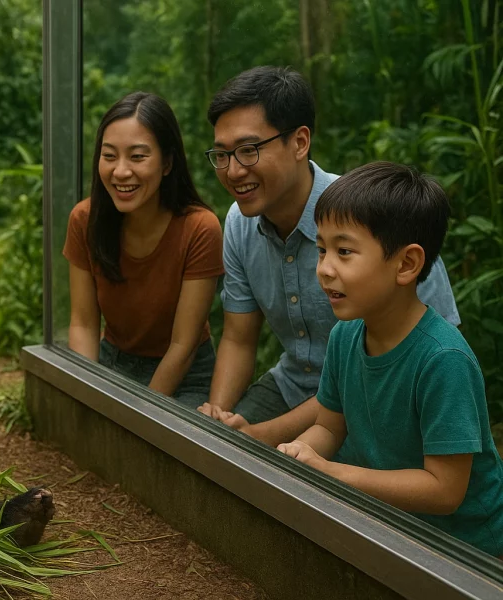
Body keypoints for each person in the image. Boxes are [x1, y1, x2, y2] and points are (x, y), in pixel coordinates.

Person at [196, 66, 460, 447]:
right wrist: (217, 416)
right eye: (221, 154)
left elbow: (437, 352)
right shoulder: (239, 223)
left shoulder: (373, 216)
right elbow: (238, 339)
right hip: (291, 385)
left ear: (300, 142)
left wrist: (257, 436)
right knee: (215, 450)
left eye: (249, 150)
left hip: (379, 392)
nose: (234, 170)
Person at [278, 162, 503, 558]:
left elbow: (445, 490)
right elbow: (329, 429)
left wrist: (333, 473)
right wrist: (299, 454)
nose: (325, 269)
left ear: (406, 264)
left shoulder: (443, 359)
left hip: (467, 550)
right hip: (392, 525)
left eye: (344, 251)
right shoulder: (345, 336)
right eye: (322, 249)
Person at [63, 91, 224, 410]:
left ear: (167, 163)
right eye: (109, 156)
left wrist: (140, 412)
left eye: (137, 157)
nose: (121, 171)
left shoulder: (200, 228)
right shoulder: (84, 219)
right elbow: (82, 323)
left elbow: (183, 345)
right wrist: (88, 388)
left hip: (185, 373)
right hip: (112, 361)